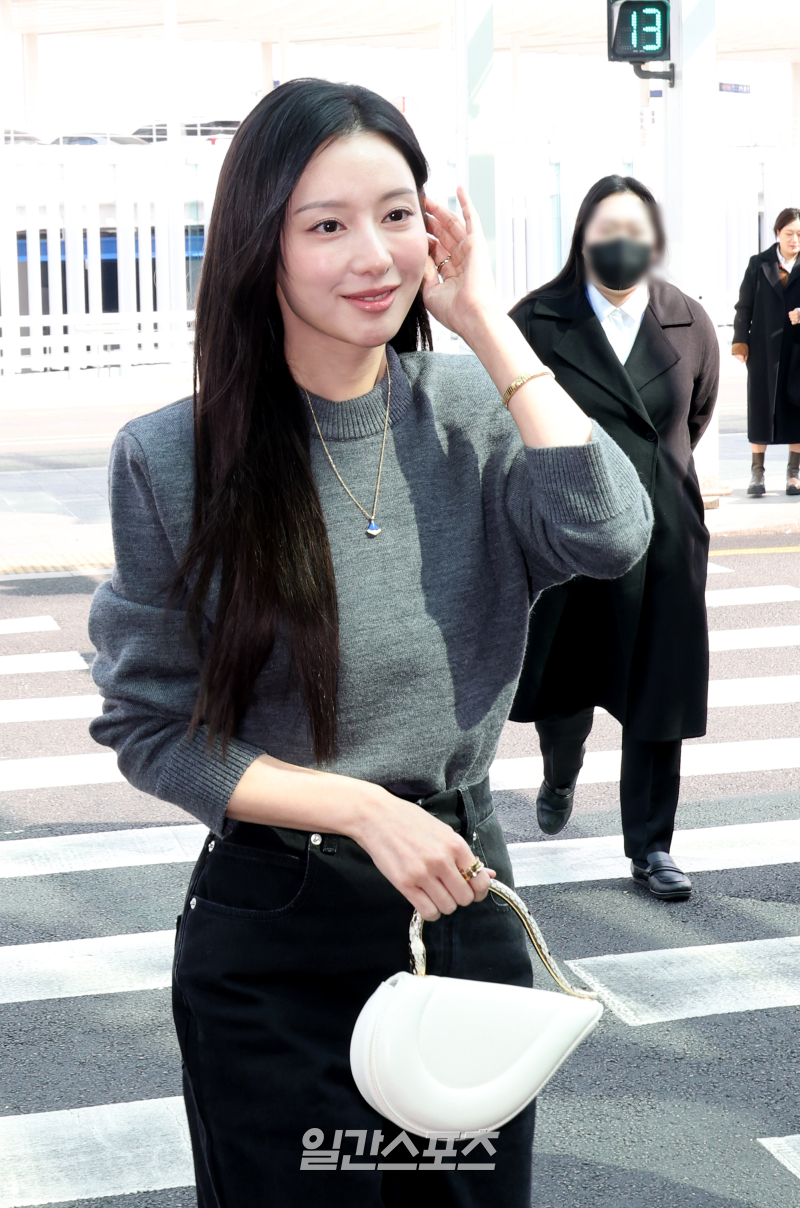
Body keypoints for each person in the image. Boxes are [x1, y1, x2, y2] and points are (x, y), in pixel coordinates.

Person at [87, 83, 651, 1207]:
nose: (374, 256)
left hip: (458, 904)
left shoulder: (471, 408)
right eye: (326, 224)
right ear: (262, 246)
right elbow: (152, 730)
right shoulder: (169, 457)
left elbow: (610, 530)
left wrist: (484, 324)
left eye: (396, 215)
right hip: (273, 938)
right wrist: (356, 806)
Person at [509, 175, 719, 903]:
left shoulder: (687, 320)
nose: (621, 246)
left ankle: (652, 845)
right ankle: (560, 769)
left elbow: (693, 417)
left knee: (657, 695)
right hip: (569, 533)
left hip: (663, 538)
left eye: (635, 232)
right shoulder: (537, 321)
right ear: (583, 239)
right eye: (607, 232)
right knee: (564, 685)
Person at [732, 207, 800, 495]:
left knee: (797, 408)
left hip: (797, 350)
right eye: (789, 233)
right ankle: (757, 474)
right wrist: (740, 341)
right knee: (760, 408)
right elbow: (744, 306)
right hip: (763, 350)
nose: (795, 239)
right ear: (777, 233)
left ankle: (793, 474)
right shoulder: (758, 264)